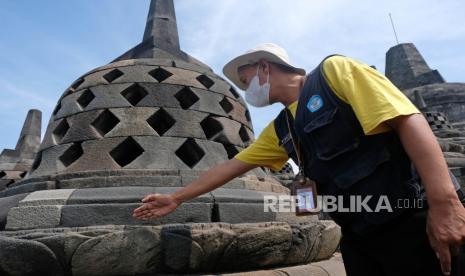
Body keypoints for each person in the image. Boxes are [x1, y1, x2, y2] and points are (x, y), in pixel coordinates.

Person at [133, 43, 465, 276]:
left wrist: (445, 204)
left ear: (266, 67)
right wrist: (175, 197)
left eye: (247, 80)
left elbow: (407, 119)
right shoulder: (281, 128)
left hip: (413, 220)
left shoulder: (335, 73)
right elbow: (230, 167)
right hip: (359, 237)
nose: (248, 90)